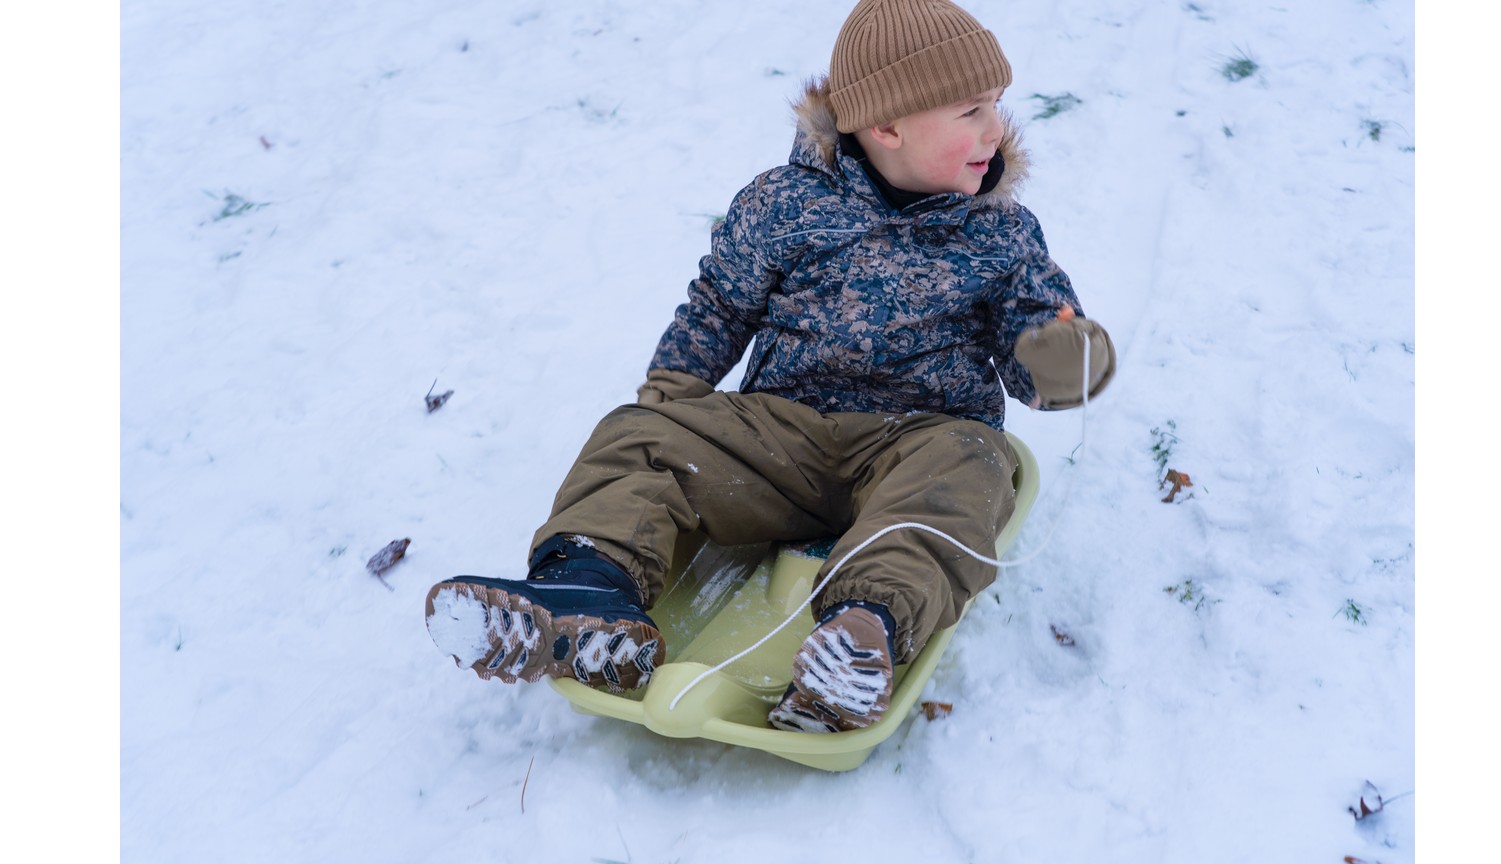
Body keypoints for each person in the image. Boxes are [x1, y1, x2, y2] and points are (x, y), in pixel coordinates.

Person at [424, 0, 1115, 734]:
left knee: (974, 465)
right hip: (781, 438)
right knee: (636, 433)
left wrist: (1059, 357)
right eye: (972, 110)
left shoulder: (1001, 231)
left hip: (922, 439)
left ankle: (858, 639)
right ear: (887, 125)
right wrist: (671, 403)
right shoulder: (783, 206)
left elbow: (1032, 339)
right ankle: (589, 594)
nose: (996, 130)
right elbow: (719, 305)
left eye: (997, 106)